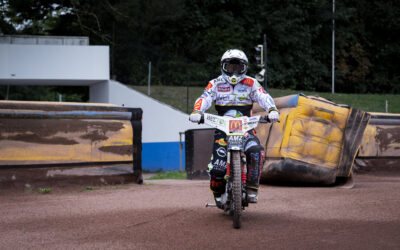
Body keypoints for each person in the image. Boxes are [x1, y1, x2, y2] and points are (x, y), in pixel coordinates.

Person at [189, 49, 279, 205]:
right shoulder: (215, 83)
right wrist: (197, 111)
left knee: (256, 152)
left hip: (245, 128)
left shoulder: (251, 83)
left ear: (244, 68)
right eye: (231, 67)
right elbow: (205, 97)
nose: (234, 72)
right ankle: (217, 193)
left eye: (238, 68)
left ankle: (251, 188)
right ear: (223, 67)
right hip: (223, 129)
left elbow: (263, 95)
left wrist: (272, 110)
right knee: (218, 168)